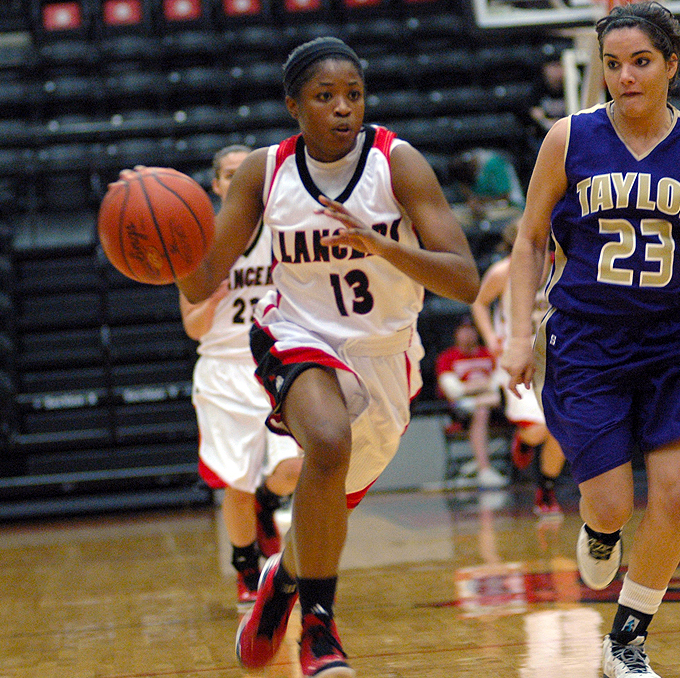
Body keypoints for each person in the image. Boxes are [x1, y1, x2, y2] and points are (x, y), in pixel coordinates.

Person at [175, 37, 480, 677]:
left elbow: (463, 279)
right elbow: (203, 279)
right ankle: (320, 627)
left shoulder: (399, 164)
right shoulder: (266, 172)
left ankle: (282, 584)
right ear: (294, 106)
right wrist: (161, 249)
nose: (343, 108)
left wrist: (383, 246)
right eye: (325, 97)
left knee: (330, 500)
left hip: (386, 353)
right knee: (328, 441)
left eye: (354, 96)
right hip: (296, 334)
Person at [500, 4, 680, 677]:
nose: (625, 76)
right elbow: (528, 238)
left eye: (640, 62)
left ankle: (627, 644)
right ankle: (601, 529)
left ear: (671, 65)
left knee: (671, 496)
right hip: (588, 339)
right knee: (611, 502)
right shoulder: (568, 138)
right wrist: (519, 334)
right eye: (613, 64)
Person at [179, 144, 303, 613]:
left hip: (277, 359)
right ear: (216, 185)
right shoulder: (197, 242)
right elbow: (192, 326)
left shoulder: (285, 232)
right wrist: (214, 296)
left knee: (292, 467)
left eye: (243, 174)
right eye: (228, 174)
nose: (236, 182)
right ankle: (246, 565)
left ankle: (268, 504)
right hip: (223, 368)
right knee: (236, 481)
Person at [471, 222, 566, 516]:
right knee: (540, 428)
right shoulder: (503, 272)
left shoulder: (561, 268)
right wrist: (490, 339)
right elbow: (478, 303)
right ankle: (523, 440)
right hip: (518, 361)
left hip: (554, 359)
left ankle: (546, 489)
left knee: (560, 431)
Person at [434, 315, 508, 489]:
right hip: (462, 409)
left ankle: (481, 462)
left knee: (514, 400)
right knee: (481, 410)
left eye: (471, 330)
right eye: (463, 330)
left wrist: (472, 388)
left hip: (496, 405)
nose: (468, 334)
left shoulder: (489, 353)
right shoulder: (448, 357)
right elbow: (453, 390)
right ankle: (484, 469)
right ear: (456, 334)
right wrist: (485, 385)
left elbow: (501, 383)